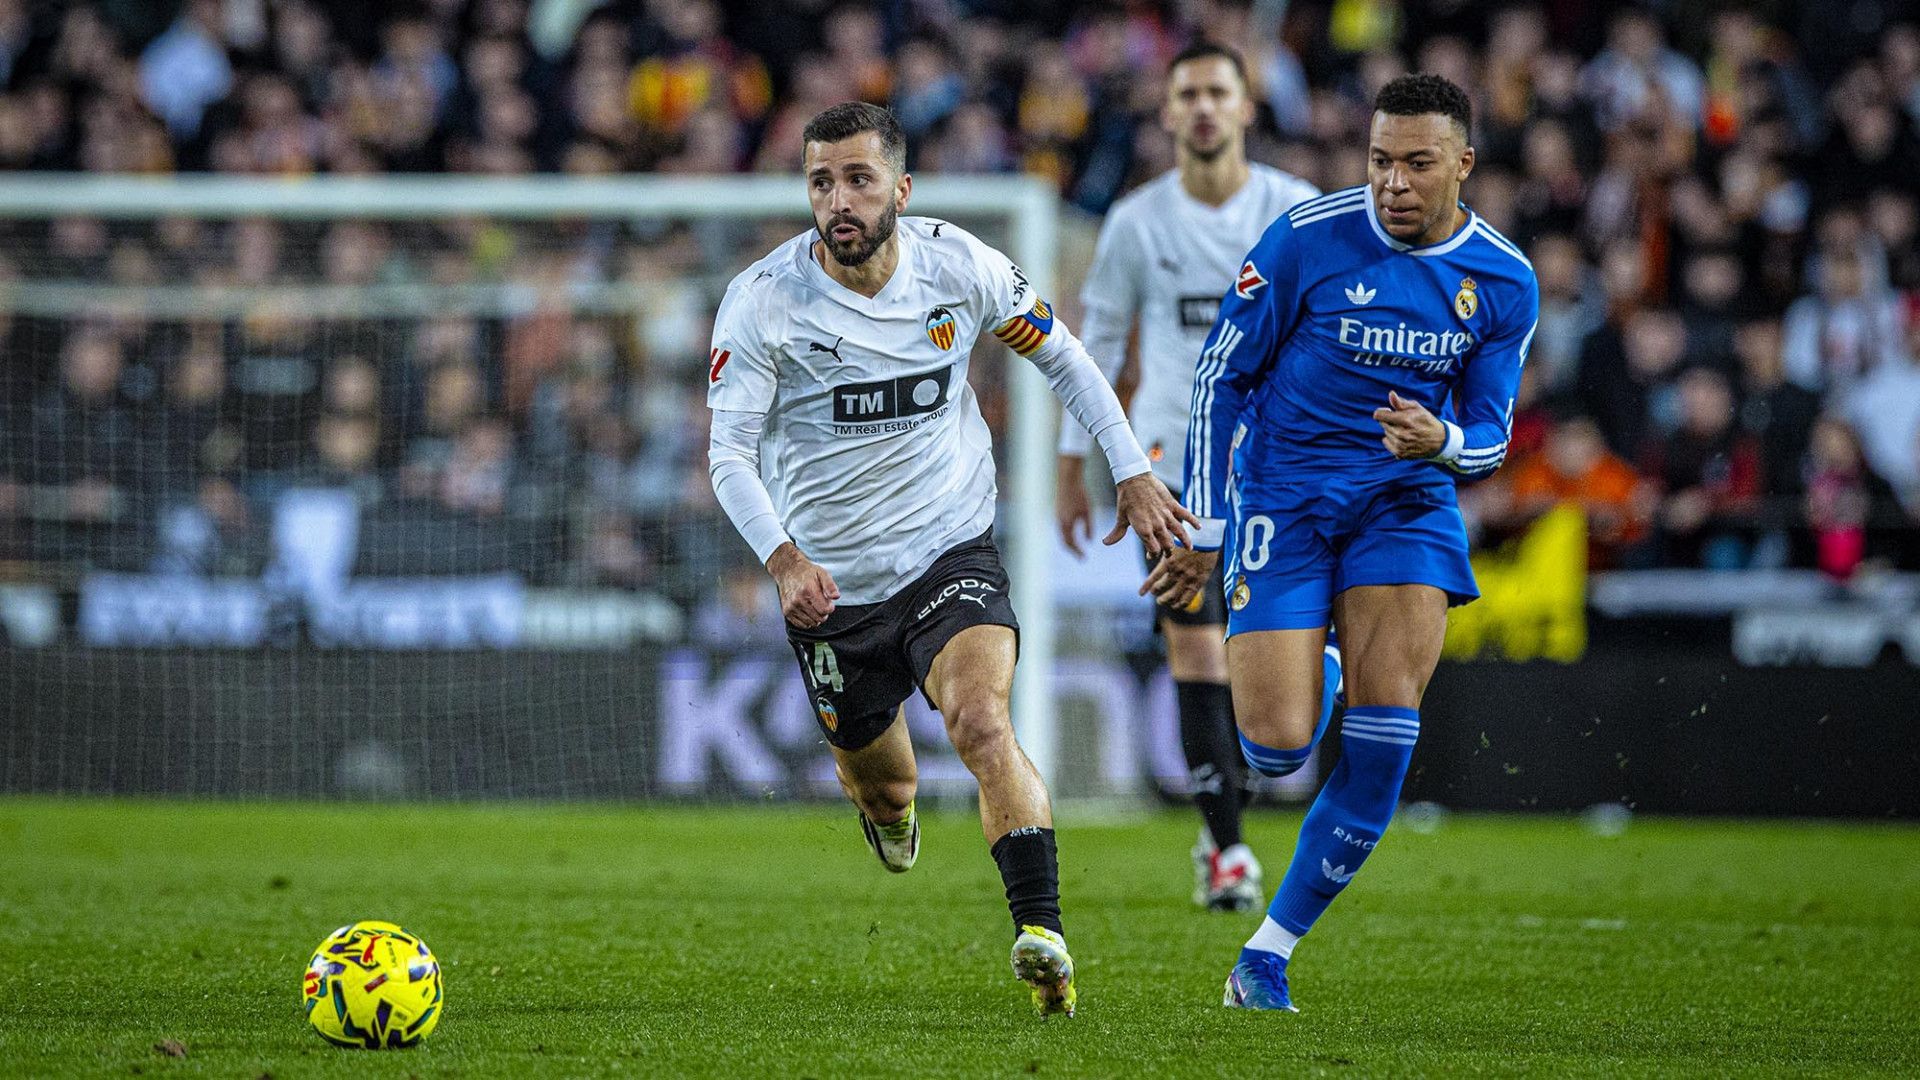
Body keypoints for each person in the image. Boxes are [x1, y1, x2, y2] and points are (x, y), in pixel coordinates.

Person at [705, 102, 1192, 1018]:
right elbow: (728, 452)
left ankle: (1041, 931)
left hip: (948, 550)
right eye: (820, 182)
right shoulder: (764, 301)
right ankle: (891, 814)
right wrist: (782, 560)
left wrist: (1128, 470)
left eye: (857, 179)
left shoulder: (958, 265)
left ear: (902, 187)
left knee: (980, 721)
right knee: (884, 788)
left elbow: (1065, 357)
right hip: (831, 587)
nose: (839, 200)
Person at [1146, 74, 1539, 1011]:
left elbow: (1492, 435)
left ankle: (1267, 955)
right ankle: (1314, 668)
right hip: (1283, 498)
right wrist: (1204, 522)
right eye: (1378, 161)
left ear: (1463, 166)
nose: (1393, 182)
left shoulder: (1502, 280)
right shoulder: (1307, 238)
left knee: (1384, 735)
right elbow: (1218, 380)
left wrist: (1440, 442)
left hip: (1405, 505)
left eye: (1417, 163)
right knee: (1277, 748)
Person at [1055, 41, 1339, 914]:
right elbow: (1096, 346)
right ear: (1170, 114)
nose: (1206, 107)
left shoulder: (1294, 212)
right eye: (1190, 94)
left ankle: (1237, 808)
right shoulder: (1137, 221)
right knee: (1196, 646)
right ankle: (1225, 848)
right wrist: (1076, 463)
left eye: (1221, 91)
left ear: (1248, 108)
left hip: (1282, 464)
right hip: (1172, 463)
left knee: (1272, 663)